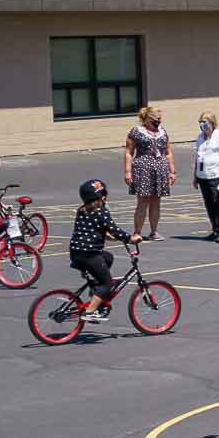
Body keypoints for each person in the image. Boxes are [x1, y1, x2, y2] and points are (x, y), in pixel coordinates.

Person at [67, 178, 140, 321]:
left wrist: (110, 238)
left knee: (108, 257)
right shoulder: (101, 211)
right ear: (101, 196)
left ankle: (95, 290)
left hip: (76, 253)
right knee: (108, 283)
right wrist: (130, 238)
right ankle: (90, 311)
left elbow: (93, 230)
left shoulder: (82, 210)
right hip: (89, 255)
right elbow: (114, 229)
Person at [124, 105, 174, 240]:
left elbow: (168, 152)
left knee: (156, 201)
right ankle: (137, 232)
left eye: (160, 119)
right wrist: (128, 172)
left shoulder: (163, 132)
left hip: (160, 169)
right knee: (143, 201)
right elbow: (129, 152)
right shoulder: (137, 131)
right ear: (146, 119)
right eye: (155, 119)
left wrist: (172, 171)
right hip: (143, 169)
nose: (158, 122)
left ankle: (154, 232)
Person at [193, 111, 219, 242]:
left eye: (205, 122)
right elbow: (198, 157)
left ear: (212, 123)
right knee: (209, 204)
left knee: (217, 203)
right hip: (202, 175)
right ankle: (215, 230)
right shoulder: (200, 137)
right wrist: (195, 176)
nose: (202, 124)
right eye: (200, 122)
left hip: (215, 175)